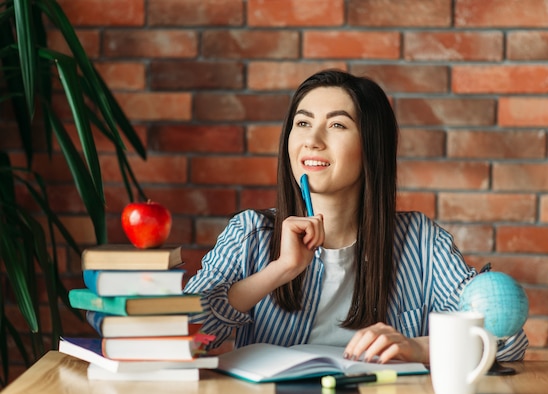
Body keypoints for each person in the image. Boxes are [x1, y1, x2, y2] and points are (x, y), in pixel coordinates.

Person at [184, 69, 528, 364]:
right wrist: (279, 270)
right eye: (302, 123)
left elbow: (504, 339)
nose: (312, 141)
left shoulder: (421, 242)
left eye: (337, 125)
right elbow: (182, 335)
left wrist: (417, 347)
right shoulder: (250, 233)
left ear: (371, 146)